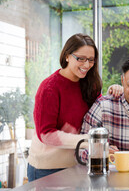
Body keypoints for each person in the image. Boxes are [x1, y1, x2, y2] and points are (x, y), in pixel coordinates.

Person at [27, 33, 102, 181]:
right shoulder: (50, 88)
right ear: (67, 56)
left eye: (91, 60)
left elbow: (103, 107)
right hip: (46, 169)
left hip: (75, 166)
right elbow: (46, 134)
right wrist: (87, 141)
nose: (86, 65)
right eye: (80, 59)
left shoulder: (88, 85)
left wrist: (116, 90)